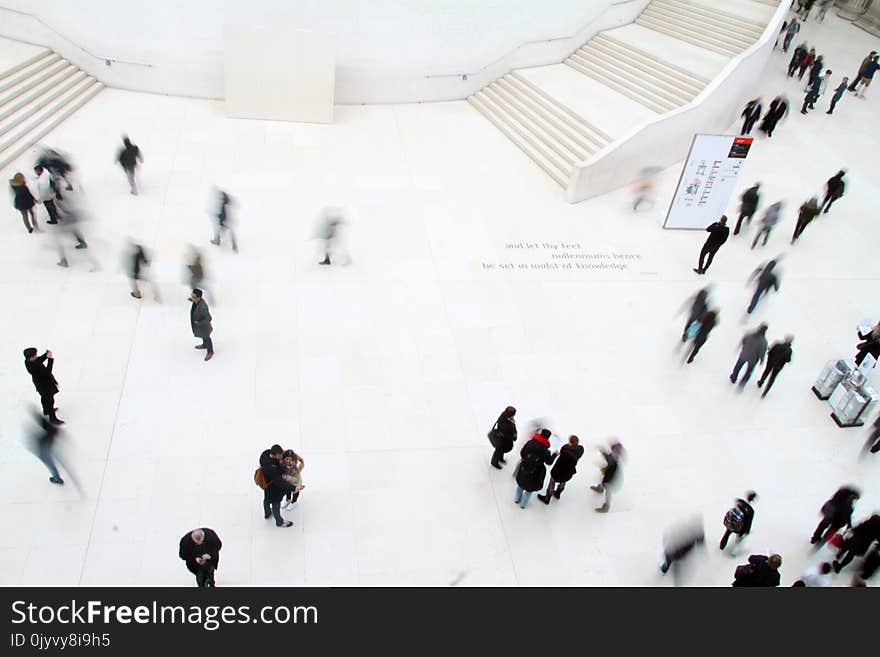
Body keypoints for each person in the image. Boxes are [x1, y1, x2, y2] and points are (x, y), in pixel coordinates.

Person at [513, 429, 554, 509]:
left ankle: (516, 499)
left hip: (524, 468)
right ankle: (523, 504)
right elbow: (549, 462)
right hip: (536, 472)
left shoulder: (530, 443)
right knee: (529, 489)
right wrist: (554, 455)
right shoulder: (546, 451)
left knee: (520, 485)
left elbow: (522, 453)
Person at [537, 435, 584, 504]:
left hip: (559, 470)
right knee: (563, 482)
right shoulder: (580, 450)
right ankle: (558, 493)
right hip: (569, 471)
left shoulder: (566, 450)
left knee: (552, 482)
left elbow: (562, 450)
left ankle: (547, 497)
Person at [24, 348, 63, 424]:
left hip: (40, 385)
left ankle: (46, 410)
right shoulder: (34, 367)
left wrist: (46, 355)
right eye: (35, 355)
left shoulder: (28, 361)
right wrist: (50, 359)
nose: (36, 355)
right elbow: (47, 372)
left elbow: (39, 359)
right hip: (45, 385)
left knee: (44, 398)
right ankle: (53, 419)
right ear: (31, 357)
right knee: (50, 401)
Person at [659, 519, 705, 584]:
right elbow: (685, 552)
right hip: (675, 554)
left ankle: (664, 570)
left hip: (671, 552)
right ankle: (676, 581)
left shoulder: (685, 533)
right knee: (676, 570)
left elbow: (668, 537)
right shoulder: (691, 543)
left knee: (669, 563)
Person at [259, 445, 295, 527]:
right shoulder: (272, 468)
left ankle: (267, 514)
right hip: (273, 488)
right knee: (276, 504)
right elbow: (280, 481)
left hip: (266, 484)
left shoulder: (265, 454)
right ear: (275, 455)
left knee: (266, 500)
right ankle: (280, 522)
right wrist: (293, 487)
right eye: (280, 455)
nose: (281, 456)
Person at [730, 324, 768, 388]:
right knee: (748, 372)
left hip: (744, 354)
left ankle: (733, 377)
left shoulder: (749, 334)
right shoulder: (764, 341)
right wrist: (761, 360)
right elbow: (762, 352)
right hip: (753, 359)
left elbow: (743, 341)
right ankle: (742, 384)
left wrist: (743, 347)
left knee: (738, 367)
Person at [590, 440, 623, 513]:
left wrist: (602, 451)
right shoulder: (615, 456)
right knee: (603, 481)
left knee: (608, 490)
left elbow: (608, 459)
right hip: (608, 474)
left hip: (610, 478)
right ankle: (600, 488)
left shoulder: (614, 459)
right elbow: (608, 458)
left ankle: (606, 506)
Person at [189, 289, 214, 361]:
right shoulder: (197, 301)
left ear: (199, 298)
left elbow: (209, 318)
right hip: (200, 327)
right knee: (203, 336)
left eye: (193, 297)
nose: (192, 298)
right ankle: (204, 345)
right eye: (192, 296)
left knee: (206, 337)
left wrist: (198, 323)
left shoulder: (203, 308)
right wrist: (192, 300)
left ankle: (210, 351)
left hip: (204, 327)